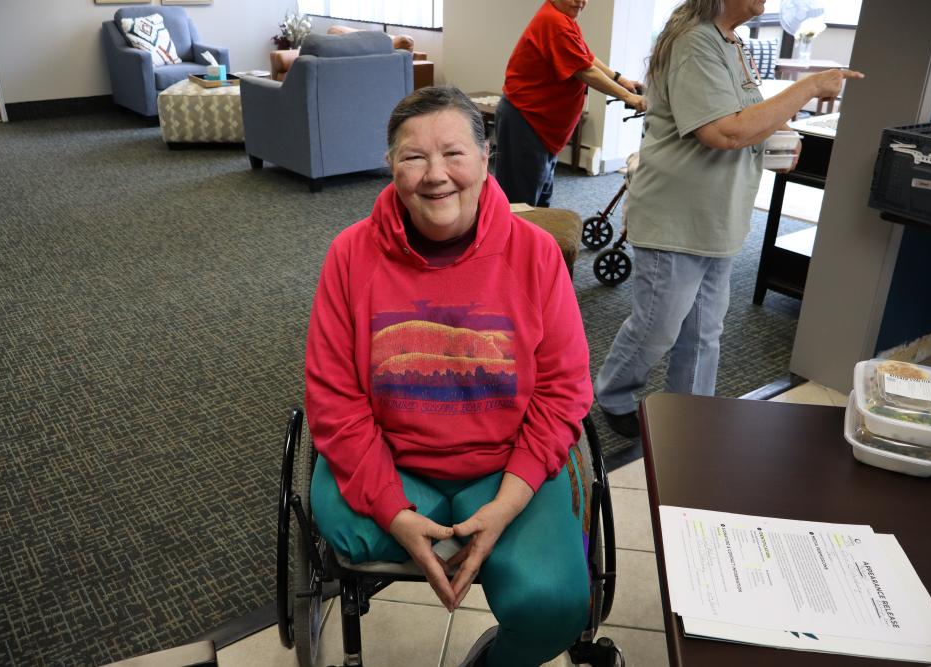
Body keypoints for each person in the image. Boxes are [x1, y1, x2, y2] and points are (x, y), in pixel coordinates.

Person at [305, 86, 593, 667]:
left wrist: (507, 507)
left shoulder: (535, 254)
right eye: (413, 157)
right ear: (391, 166)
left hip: (508, 468)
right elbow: (334, 398)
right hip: (392, 462)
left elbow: (563, 390)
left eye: (454, 154)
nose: (435, 175)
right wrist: (394, 511)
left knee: (558, 606)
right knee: (346, 529)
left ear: (487, 158)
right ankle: (454, 535)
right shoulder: (350, 255)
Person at [594, 0, 863, 437]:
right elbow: (723, 131)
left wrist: (779, 138)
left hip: (718, 215)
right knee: (657, 326)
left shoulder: (731, 41)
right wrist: (808, 88)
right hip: (677, 215)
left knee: (703, 330)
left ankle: (691, 410)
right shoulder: (695, 43)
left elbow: (743, 118)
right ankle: (614, 393)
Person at [494, 0, 646, 208]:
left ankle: (537, 239)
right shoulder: (554, 22)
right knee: (521, 204)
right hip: (527, 120)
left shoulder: (564, 19)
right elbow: (585, 71)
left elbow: (586, 57)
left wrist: (620, 79)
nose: (581, 2)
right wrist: (629, 98)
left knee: (539, 199)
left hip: (541, 124)